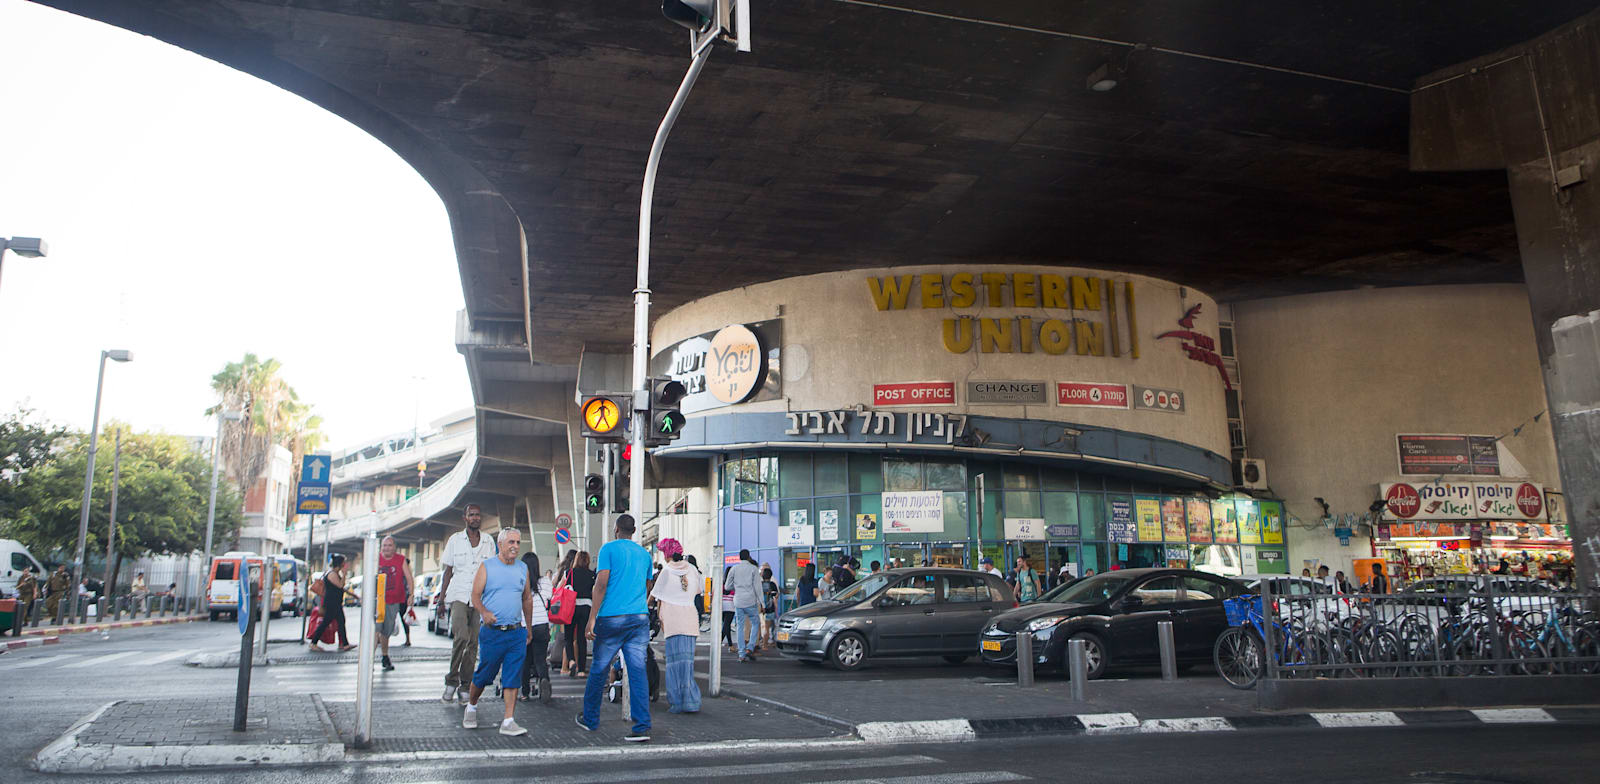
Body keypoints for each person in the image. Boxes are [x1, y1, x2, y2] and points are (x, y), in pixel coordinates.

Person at [577, 514, 653, 742]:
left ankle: (590, 719)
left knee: (599, 669)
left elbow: (600, 584)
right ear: (635, 530)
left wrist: (592, 619)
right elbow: (647, 584)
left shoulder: (608, 549)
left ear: (616, 528)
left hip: (611, 617)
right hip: (639, 618)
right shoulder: (644, 554)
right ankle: (642, 726)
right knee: (638, 671)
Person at [462, 528, 533, 737]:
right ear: (500, 545)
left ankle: (508, 720)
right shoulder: (487, 567)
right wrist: (484, 612)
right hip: (492, 633)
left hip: (515, 632)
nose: (515, 546)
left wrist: (528, 627)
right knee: (485, 674)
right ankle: (472, 706)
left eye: (518, 543)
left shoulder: (523, 568)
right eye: (511, 542)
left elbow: (527, 598)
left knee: (513, 676)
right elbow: (475, 595)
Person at [439, 504, 497, 703]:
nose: (475, 518)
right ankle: (451, 680)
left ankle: (465, 685)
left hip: (478, 597)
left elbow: (491, 572)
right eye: (471, 515)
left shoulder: (489, 541)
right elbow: (447, 572)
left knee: (473, 643)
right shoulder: (455, 540)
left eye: (478, 515)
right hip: (458, 595)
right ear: (464, 518)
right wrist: (440, 599)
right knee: (461, 637)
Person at [649, 538, 702, 714]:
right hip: (690, 619)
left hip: (672, 621)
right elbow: (697, 591)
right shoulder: (692, 569)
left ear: (666, 554)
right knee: (687, 663)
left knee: (673, 663)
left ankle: (677, 702)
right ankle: (691, 701)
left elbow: (654, 596)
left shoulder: (667, 572)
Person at [517, 550, 553, 703]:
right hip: (542, 624)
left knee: (525, 660)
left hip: (525, 625)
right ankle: (544, 679)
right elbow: (549, 599)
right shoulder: (545, 581)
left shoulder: (519, 583)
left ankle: (525, 692)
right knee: (540, 658)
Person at [375, 536, 415, 671]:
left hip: (394, 600)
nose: (386, 548)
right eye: (384, 545)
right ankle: (368, 660)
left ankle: (385, 656)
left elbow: (409, 578)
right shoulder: (376, 559)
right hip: (377, 601)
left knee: (386, 631)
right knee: (376, 629)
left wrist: (411, 594)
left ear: (394, 547)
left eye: (389, 545)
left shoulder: (400, 560)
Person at [308, 555, 356, 652]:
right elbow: (340, 585)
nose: (345, 564)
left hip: (335, 603)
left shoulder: (335, 573)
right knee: (326, 622)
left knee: (341, 622)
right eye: (344, 562)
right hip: (331, 603)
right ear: (340, 563)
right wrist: (345, 574)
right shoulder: (332, 574)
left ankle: (344, 644)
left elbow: (341, 588)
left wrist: (354, 596)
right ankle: (313, 643)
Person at [565, 551, 596, 677]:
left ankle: (572, 661)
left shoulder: (569, 573)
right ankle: (581, 670)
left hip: (571, 607)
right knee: (581, 638)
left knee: (569, 637)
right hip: (586, 607)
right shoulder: (591, 575)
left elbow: (564, 587)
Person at [728, 550, 762, 662]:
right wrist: (762, 602)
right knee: (756, 623)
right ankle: (750, 647)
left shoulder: (734, 569)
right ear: (748, 557)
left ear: (739, 557)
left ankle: (741, 654)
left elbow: (727, 586)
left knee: (740, 627)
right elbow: (758, 587)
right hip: (750, 601)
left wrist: (737, 587)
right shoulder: (753, 569)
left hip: (738, 601)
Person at [11, 568, 37, 635]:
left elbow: (34, 587)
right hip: (22, 594)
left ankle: (21, 621)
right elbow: (17, 587)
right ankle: (25, 621)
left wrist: (34, 594)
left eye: (27, 571)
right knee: (20, 607)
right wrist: (21, 584)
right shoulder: (21, 578)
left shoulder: (31, 578)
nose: (25, 572)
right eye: (24, 571)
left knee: (25, 606)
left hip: (28, 594)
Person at [759, 566, 779, 647]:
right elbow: (776, 595)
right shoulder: (772, 584)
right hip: (770, 608)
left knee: (761, 627)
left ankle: (761, 643)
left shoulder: (760, 584)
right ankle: (765, 645)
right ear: (771, 576)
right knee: (768, 627)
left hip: (760, 608)